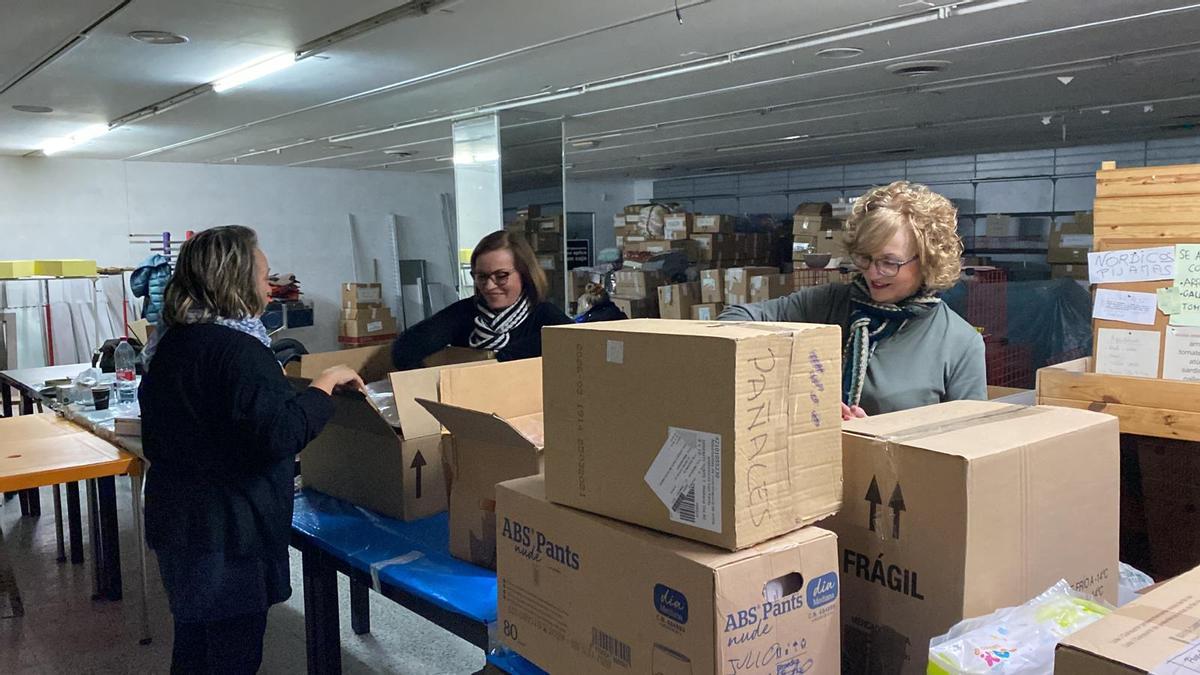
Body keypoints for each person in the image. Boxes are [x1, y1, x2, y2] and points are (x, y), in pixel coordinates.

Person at [139, 225, 364, 674]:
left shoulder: (173, 341)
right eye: (263, 275)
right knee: (231, 651)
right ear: (235, 280)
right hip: (227, 531)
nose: (270, 285)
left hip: (180, 521)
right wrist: (323, 387)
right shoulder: (240, 351)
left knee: (194, 643)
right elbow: (278, 435)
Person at [720, 181, 986, 418]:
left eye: (889, 263)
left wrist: (875, 438)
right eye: (865, 258)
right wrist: (790, 388)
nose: (872, 272)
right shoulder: (829, 304)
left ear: (928, 261)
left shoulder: (960, 344)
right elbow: (732, 322)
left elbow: (967, 447)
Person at [391, 230, 572, 370]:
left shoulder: (545, 316)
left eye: (501, 276)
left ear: (524, 274)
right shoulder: (464, 313)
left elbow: (580, 348)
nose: (489, 286)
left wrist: (499, 358)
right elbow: (404, 350)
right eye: (481, 277)